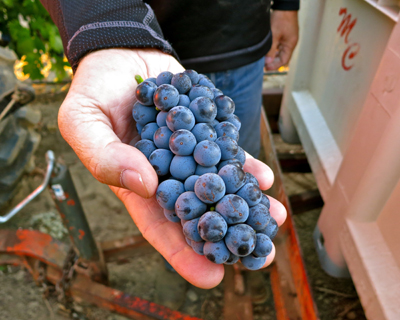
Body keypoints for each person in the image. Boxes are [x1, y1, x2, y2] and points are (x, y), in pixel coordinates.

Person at [40, 0, 298, 289]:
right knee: (177, 213)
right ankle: (180, 267)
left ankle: (216, 264)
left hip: (246, 42)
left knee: (239, 152)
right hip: (155, 34)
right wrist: (112, 28)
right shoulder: (158, 112)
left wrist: (287, 5)